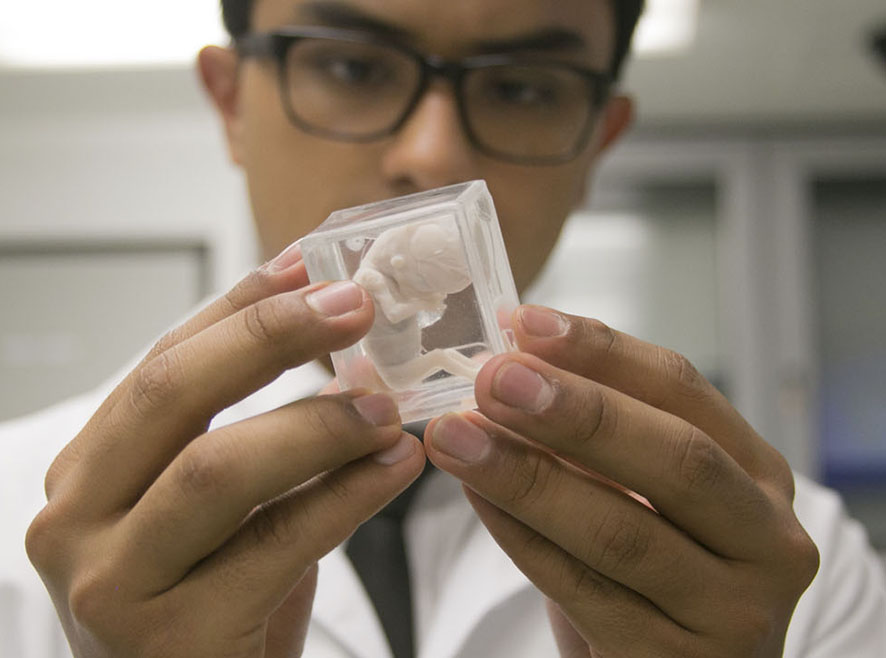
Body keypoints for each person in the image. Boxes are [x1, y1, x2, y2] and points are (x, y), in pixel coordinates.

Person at [3, 0, 885, 656]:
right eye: (353, 65)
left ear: (598, 145)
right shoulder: (21, 523)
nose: (434, 153)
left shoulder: (787, 565)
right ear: (232, 102)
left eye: (523, 86)